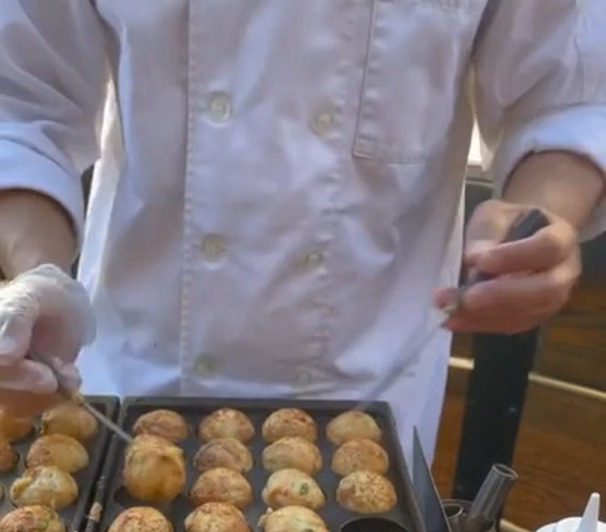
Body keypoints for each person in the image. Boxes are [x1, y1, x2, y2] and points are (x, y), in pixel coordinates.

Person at [0, 2, 604, 461]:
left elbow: (567, 95)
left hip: (370, 391)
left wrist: (538, 219)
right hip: (134, 371)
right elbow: (21, 104)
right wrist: (38, 274)